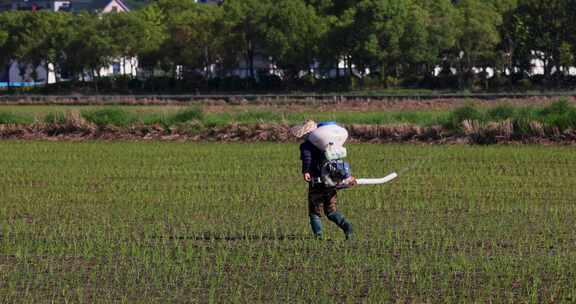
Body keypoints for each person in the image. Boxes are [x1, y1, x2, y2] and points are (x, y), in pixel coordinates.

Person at [291, 120, 354, 240]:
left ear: (305, 134)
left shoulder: (307, 145)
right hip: (332, 181)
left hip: (317, 182)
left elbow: (307, 158)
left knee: (314, 211)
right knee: (331, 211)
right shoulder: (326, 143)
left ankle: (318, 236)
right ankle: (348, 228)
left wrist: (306, 171)